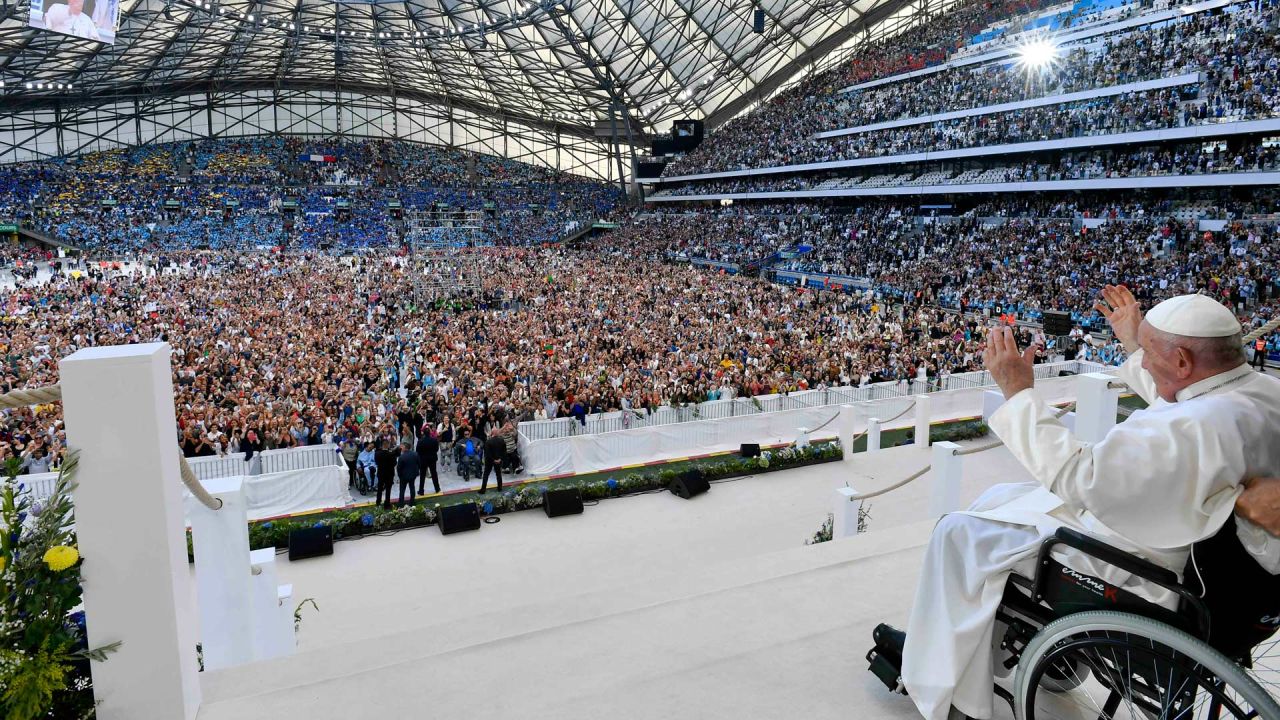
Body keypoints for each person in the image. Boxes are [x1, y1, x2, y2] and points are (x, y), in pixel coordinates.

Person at [884, 288, 1280, 720]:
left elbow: (1078, 476)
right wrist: (1134, 341)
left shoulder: (1196, 425)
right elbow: (1183, 398)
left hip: (1150, 567)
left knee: (957, 531)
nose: (1142, 363)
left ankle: (944, 682)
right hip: (1219, 574)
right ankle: (970, 650)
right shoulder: (1258, 392)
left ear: (1183, 360)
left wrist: (1018, 393)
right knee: (999, 501)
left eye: (1149, 352)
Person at [480, 417, 507, 493]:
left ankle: (483, 489)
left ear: (492, 433)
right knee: (498, 474)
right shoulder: (502, 440)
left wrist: (493, 460)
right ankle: (500, 488)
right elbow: (504, 451)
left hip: (489, 461)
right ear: (497, 433)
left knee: (486, 475)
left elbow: (487, 453)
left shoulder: (488, 442)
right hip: (498, 460)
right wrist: (499, 459)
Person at [373, 438, 398, 509]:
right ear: (388, 445)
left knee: (380, 488)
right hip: (389, 474)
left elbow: (377, 462)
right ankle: (387, 504)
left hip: (381, 473)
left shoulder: (377, 453)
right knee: (388, 489)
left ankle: (378, 502)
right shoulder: (391, 454)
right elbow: (394, 463)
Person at [416, 426, 440, 495]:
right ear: (430, 433)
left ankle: (421, 490)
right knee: (434, 474)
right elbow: (436, 449)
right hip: (432, 459)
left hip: (423, 460)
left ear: (423, 433)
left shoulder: (420, 441)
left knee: (422, 475)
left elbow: (418, 451)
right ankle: (437, 488)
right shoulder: (434, 440)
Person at [396, 442, 419, 507]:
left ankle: (401, 503)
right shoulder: (415, 454)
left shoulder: (401, 457)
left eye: (402, 447)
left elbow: (399, 468)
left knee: (402, 490)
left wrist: (400, 475)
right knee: (412, 487)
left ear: (405, 447)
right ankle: (412, 501)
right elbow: (419, 464)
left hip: (404, 476)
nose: (401, 448)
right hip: (413, 475)